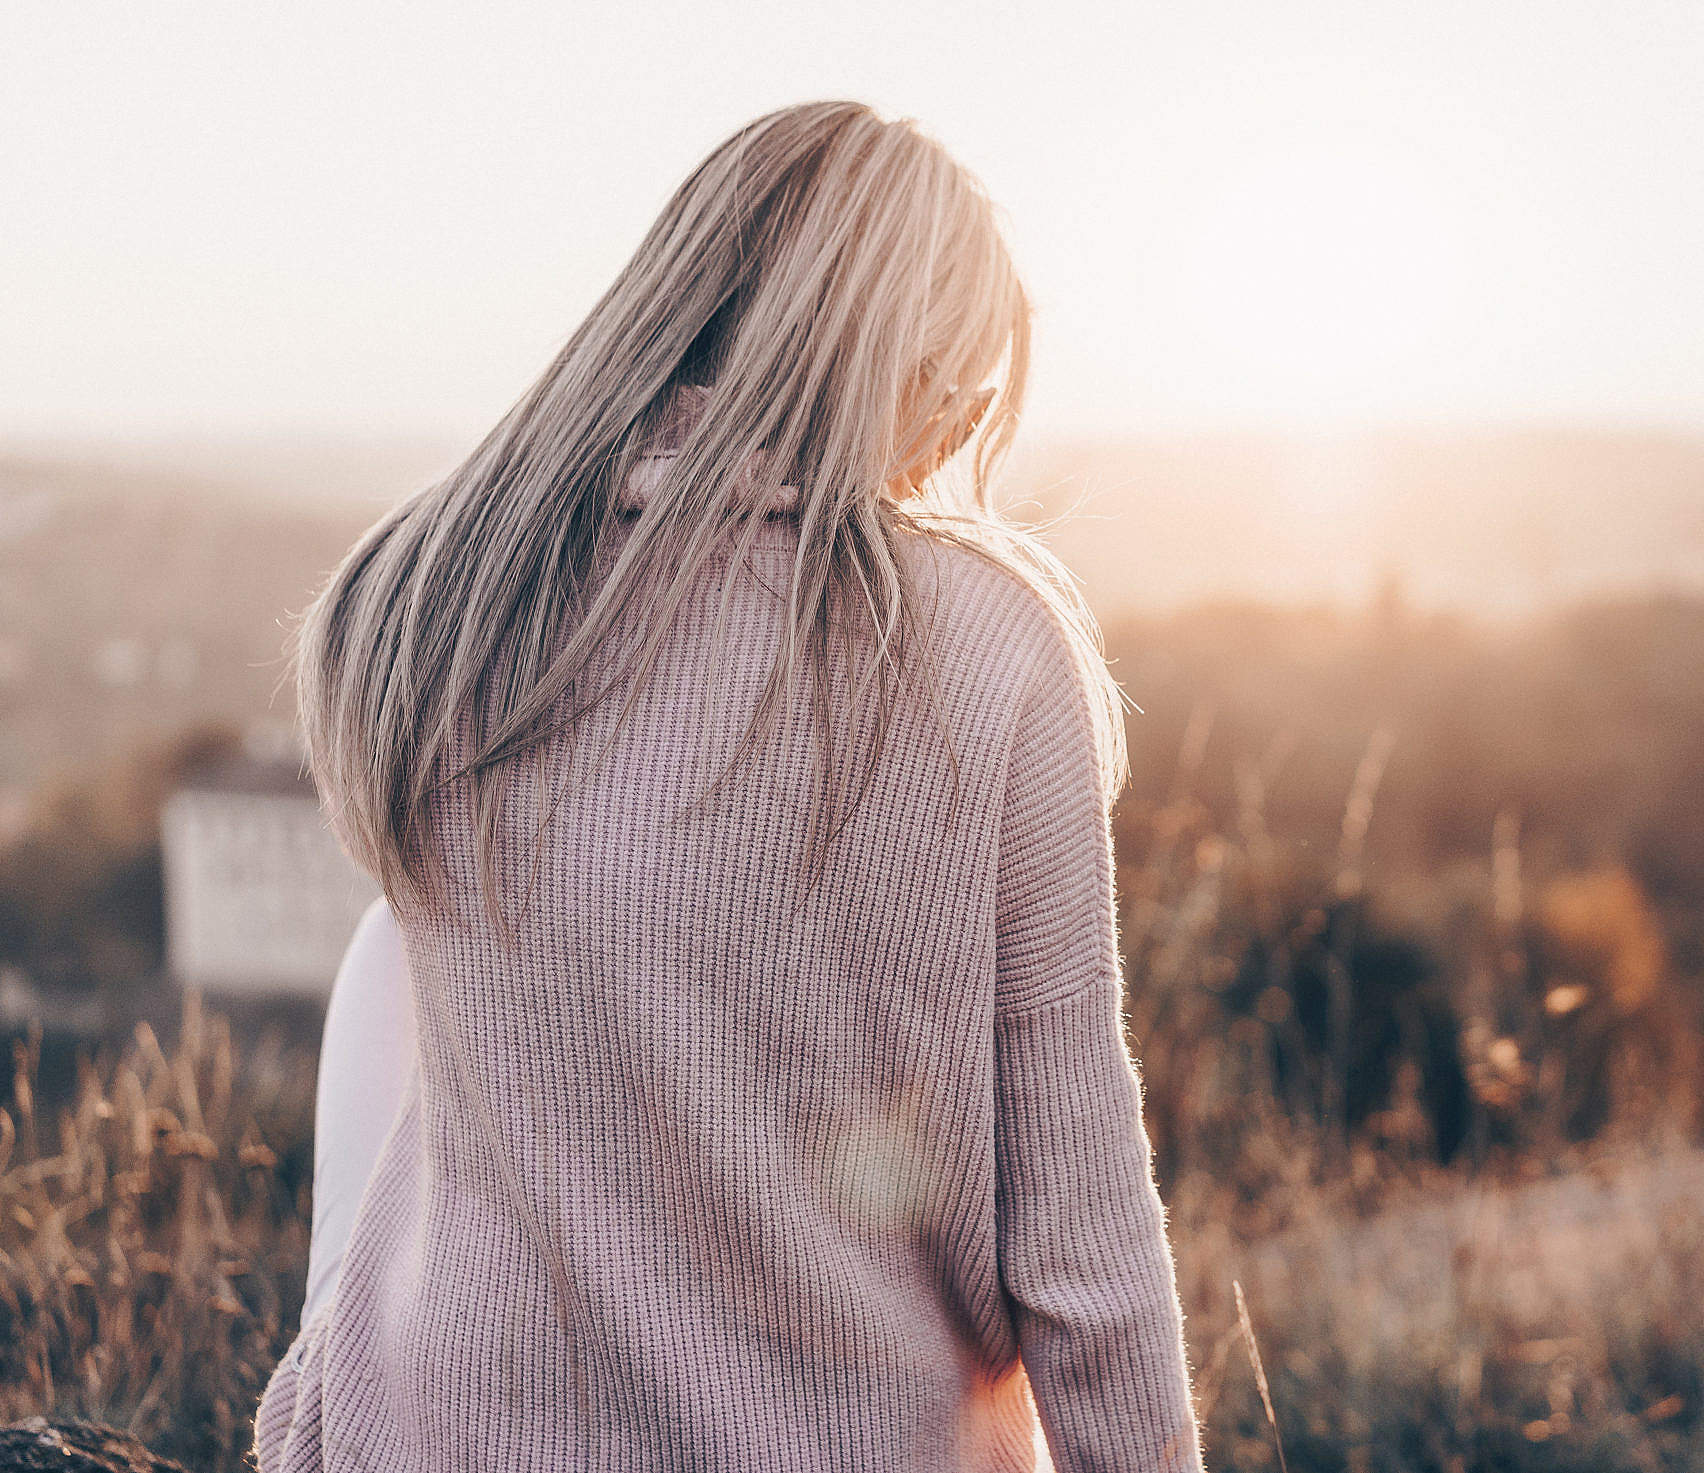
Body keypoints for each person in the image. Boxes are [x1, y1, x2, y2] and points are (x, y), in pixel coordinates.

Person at [255, 99, 1205, 1472]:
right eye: (968, 390)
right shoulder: (983, 636)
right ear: (914, 362)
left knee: (390, 948)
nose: (953, 436)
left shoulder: (428, 589)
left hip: (426, 1426)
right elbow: (1078, 1228)